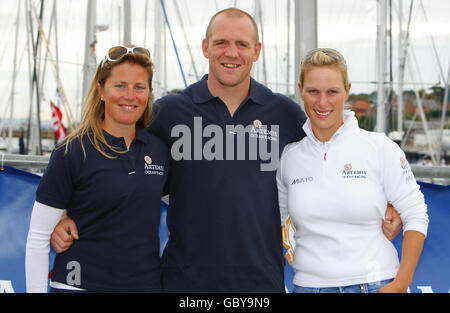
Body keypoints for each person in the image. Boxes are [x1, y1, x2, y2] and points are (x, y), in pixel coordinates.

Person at [49, 9, 402, 293]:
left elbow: (335, 147)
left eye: (241, 44)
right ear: (205, 47)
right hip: (183, 284)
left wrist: (388, 199)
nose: (231, 53)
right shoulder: (169, 112)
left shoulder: (284, 113)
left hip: (260, 285)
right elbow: (112, 158)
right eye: (221, 43)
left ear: (257, 51)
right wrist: (62, 211)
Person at [277, 48, 429, 293]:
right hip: (308, 287)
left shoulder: (379, 147)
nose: (323, 102)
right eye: (313, 91)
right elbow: (272, 222)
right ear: (301, 90)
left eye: (332, 92)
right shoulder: (289, 158)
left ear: (347, 90)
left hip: (376, 284)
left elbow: (416, 214)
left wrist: (401, 283)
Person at [25, 45, 169, 292]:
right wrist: (61, 217)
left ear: (149, 93)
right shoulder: (71, 151)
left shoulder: (158, 150)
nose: (130, 95)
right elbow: (37, 240)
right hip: (78, 285)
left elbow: (185, 206)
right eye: (120, 85)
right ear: (101, 90)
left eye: (139, 87)